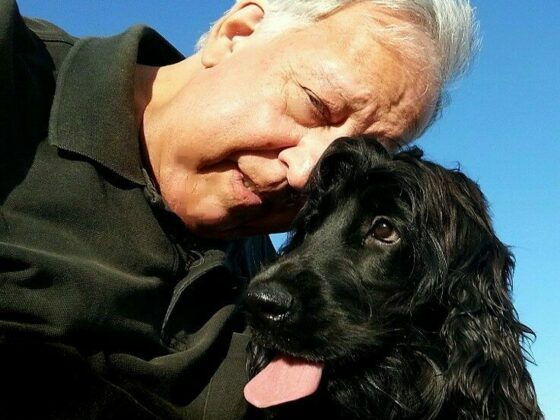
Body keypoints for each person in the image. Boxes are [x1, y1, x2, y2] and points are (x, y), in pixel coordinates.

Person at [0, 0, 478, 418]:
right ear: (236, 33)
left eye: (353, 157)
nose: (308, 175)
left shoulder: (277, 280)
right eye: (315, 105)